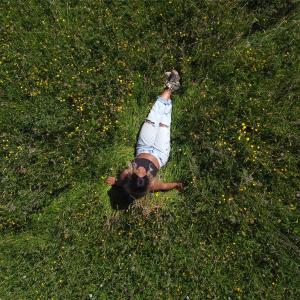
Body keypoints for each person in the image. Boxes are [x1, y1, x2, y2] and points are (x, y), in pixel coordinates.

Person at [105, 70, 183, 200]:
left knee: (152, 118)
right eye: (144, 175)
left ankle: (170, 87)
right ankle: (170, 88)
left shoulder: (125, 176)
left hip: (144, 147)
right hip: (160, 153)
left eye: (136, 174)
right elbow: (164, 186)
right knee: (164, 123)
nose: (141, 171)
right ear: (147, 182)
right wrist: (177, 185)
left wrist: (116, 182)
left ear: (130, 178)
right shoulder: (151, 185)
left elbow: (121, 183)